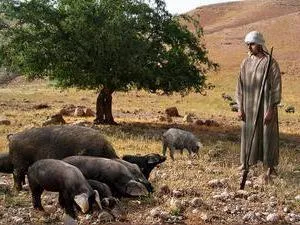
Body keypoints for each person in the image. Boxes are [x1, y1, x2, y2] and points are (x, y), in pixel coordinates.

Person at [236, 31, 282, 179]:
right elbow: (240, 86)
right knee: (247, 133)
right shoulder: (245, 62)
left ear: (260, 44)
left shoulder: (270, 63)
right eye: (247, 44)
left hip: (265, 105)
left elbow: (276, 87)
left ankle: (270, 167)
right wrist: (240, 107)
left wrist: (271, 109)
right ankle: (246, 163)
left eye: (252, 44)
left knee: (268, 135)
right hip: (248, 106)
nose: (249, 47)